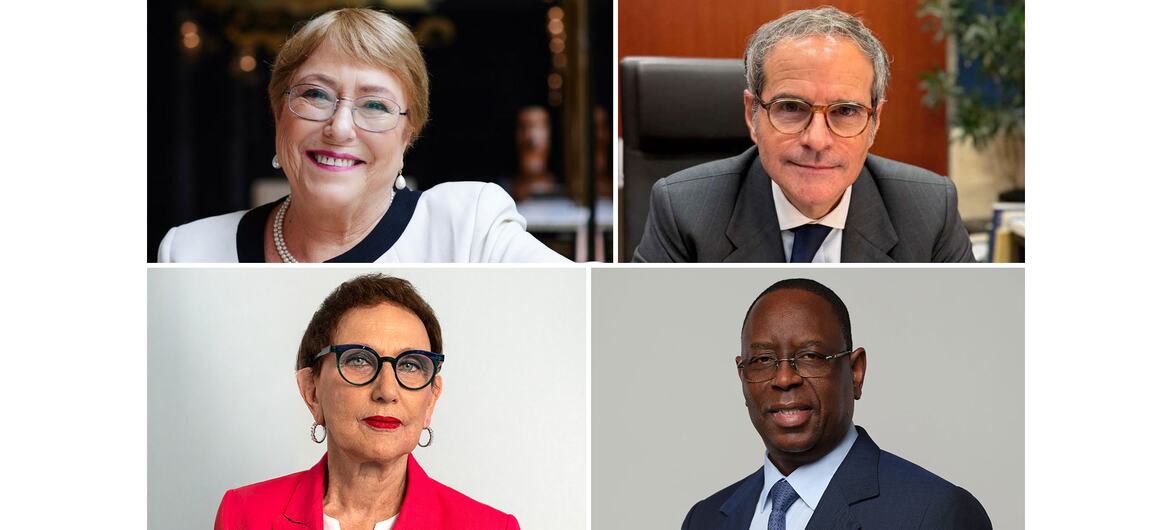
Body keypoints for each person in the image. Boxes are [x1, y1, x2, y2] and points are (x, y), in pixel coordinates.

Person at [158, 8, 567, 263]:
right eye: (316, 95)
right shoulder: (190, 252)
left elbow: (598, 310)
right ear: (278, 111)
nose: (338, 128)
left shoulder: (468, 230)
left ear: (409, 135)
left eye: (375, 105)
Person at [634, 7, 975, 263]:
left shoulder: (929, 211)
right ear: (752, 115)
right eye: (792, 108)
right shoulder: (684, 211)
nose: (817, 140)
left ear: (875, 122)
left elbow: (968, 343)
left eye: (845, 112)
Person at [214, 274, 521, 529]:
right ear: (312, 391)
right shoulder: (243, 514)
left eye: (410, 365)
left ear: (431, 399)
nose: (387, 390)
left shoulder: (491, 526)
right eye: (359, 360)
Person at [681, 279, 991, 529]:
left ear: (855, 372)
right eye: (763, 360)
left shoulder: (937, 513)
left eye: (811, 357)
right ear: (742, 375)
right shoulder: (705, 519)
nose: (785, 378)